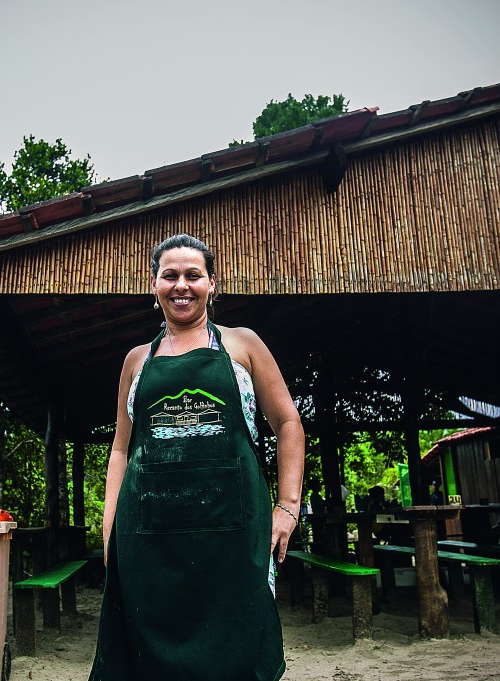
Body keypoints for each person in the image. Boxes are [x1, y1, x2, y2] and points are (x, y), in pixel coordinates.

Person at [89, 234, 305, 681]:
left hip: (232, 530)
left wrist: (288, 506)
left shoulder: (243, 345)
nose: (181, 285)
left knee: (237, 650)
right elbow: (120, 448)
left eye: (193, 275)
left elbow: (289, 424)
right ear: (155, 287)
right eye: (170, 275)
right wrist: (110, 522)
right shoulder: (136, 361)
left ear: (212, 285)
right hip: (148, 534)